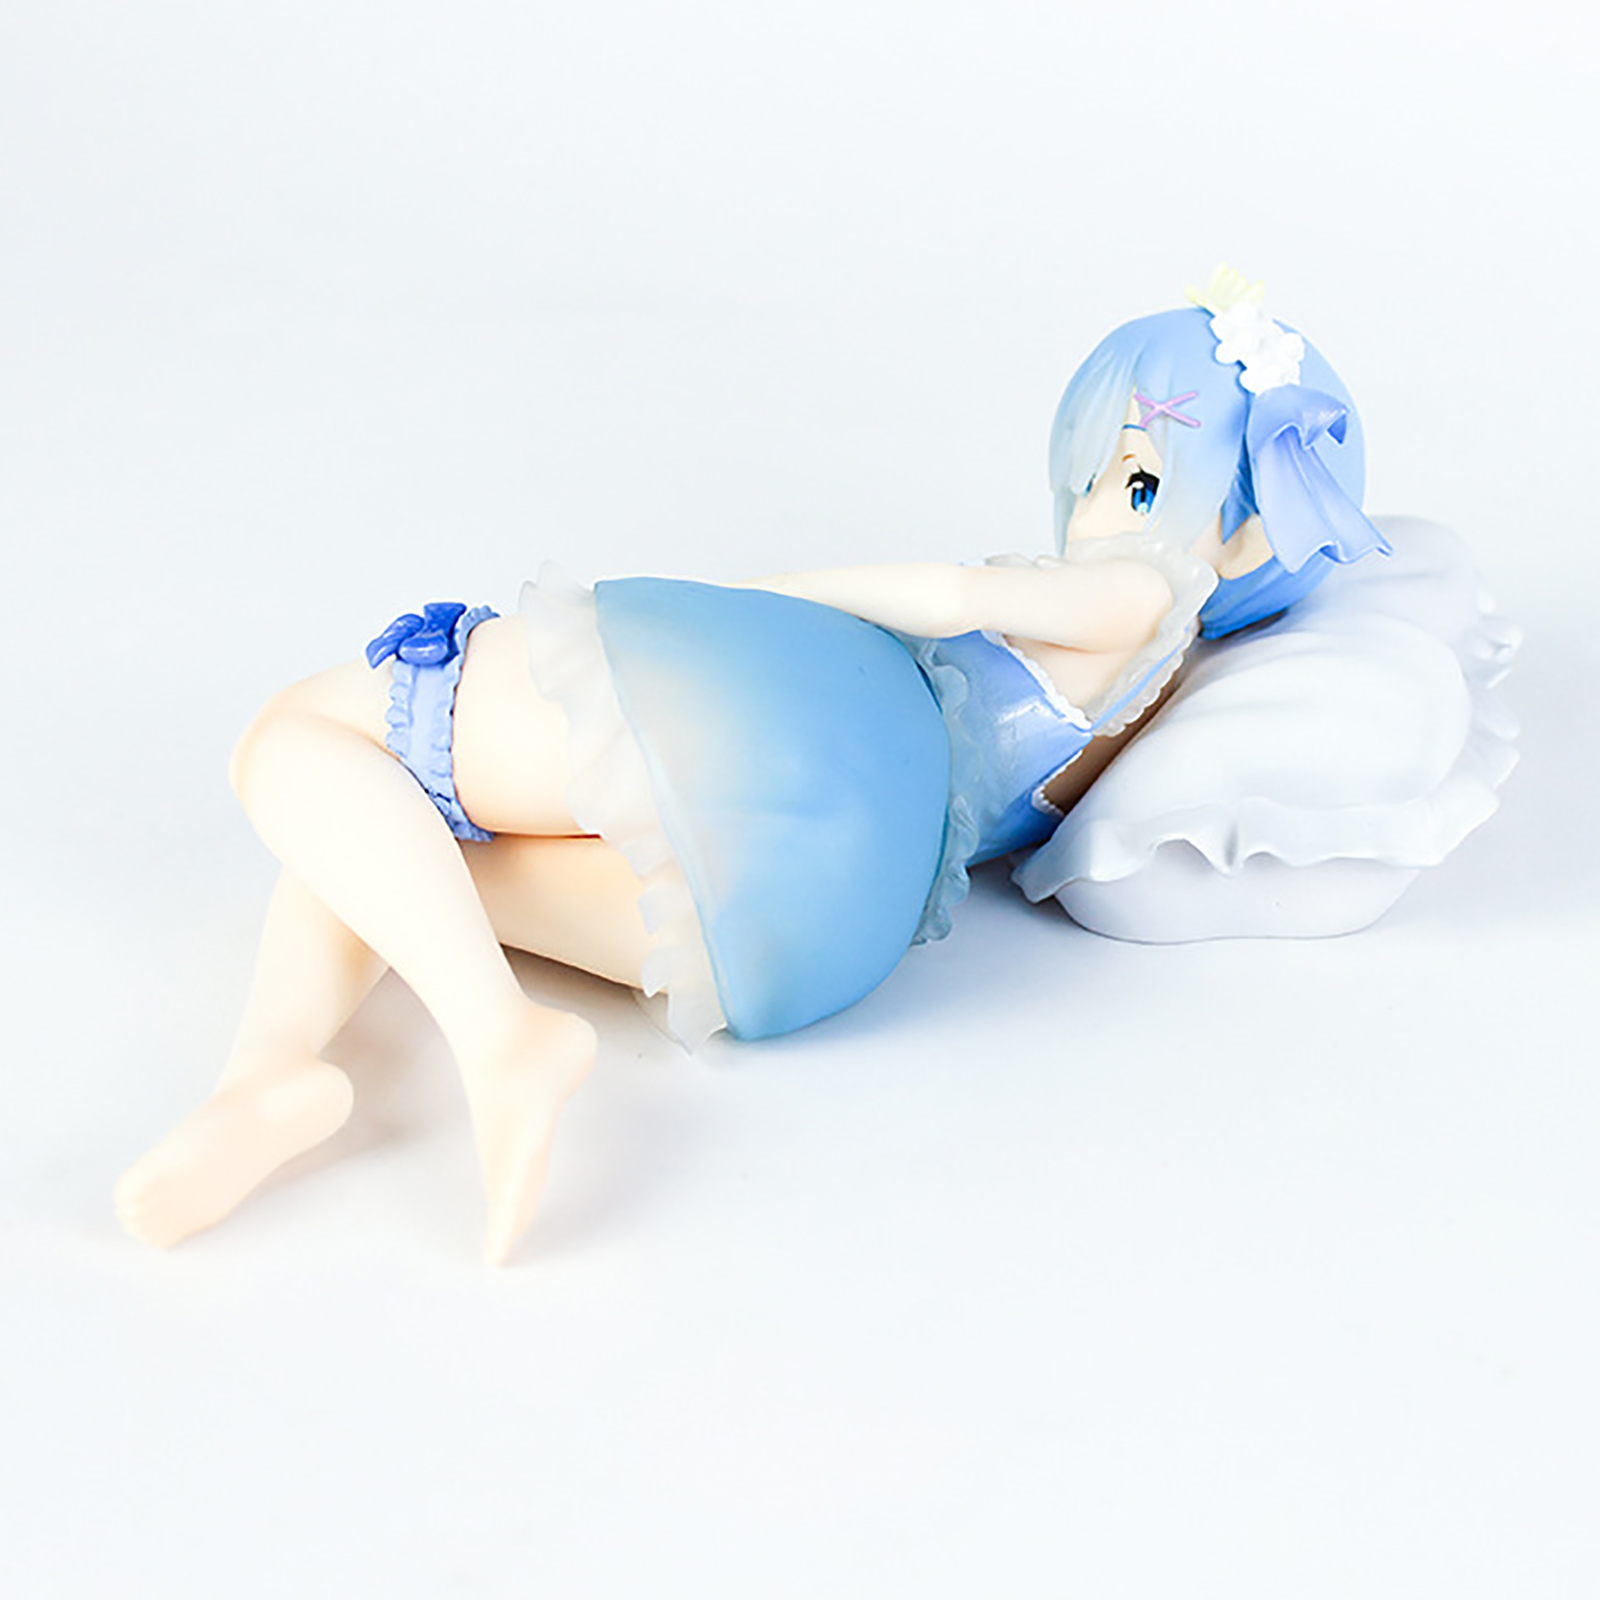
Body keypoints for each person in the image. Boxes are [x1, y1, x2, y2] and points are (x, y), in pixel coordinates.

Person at [114, 269, 1514, 1263]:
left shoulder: (1136, 599)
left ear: (1247, 540)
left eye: (1140, 481)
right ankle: (269, 1076)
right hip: (831, 911)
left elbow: (939, 594)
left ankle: (490, 1039)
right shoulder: (1153, 702)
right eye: (1098, 475)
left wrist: (738, 606)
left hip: (791, 736)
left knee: (301, 733)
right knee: (408, 848)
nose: (1099, 510)